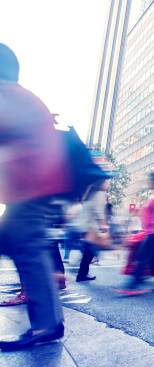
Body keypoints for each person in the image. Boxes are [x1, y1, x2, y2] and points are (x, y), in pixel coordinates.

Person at [0, 44, 67, 350]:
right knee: (18, 240)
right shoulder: (19, 96)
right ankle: (47, 323)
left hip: (31, 187)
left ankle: (47, 325)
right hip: (31, 187)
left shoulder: (9, 95)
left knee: (25, 245)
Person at [116, 172, 154, 294]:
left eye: (151, 180)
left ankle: (132, 286)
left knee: (142, 256)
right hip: (153, 231)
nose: (149, 182)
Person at [76, 180, 110, 282]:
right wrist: (103, 226)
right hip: (91, 227)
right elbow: (99, 212)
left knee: (88, 251)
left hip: (85, 225)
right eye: (106, 182)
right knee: (90, 251)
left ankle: (82, 274)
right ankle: (81, 275)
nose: (108, 184)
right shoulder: (100, 194)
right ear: (101, 184)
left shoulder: (90, 193)